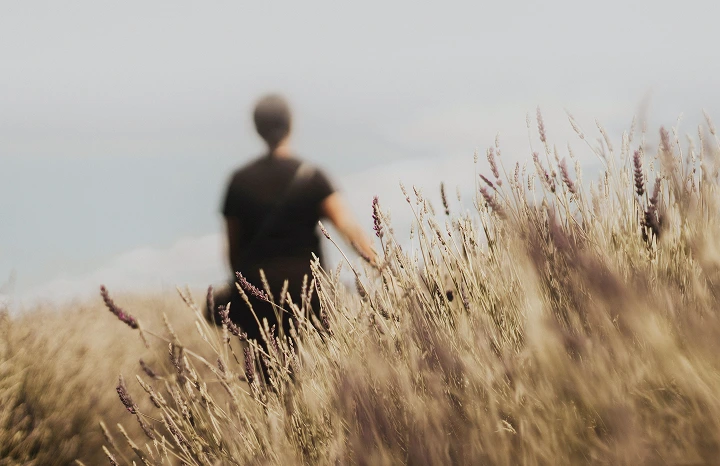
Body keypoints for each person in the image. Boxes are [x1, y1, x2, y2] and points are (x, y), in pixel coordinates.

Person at [212, 94, 375, 345]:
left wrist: (243, 286)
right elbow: (348, 229)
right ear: (291, 124)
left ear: (257, 128)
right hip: (309, 296)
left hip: (258, 299)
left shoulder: (238, 181)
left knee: (269, 377)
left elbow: (233, 250)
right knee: (318, 376)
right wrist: (382, 266)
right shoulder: (312, 177)